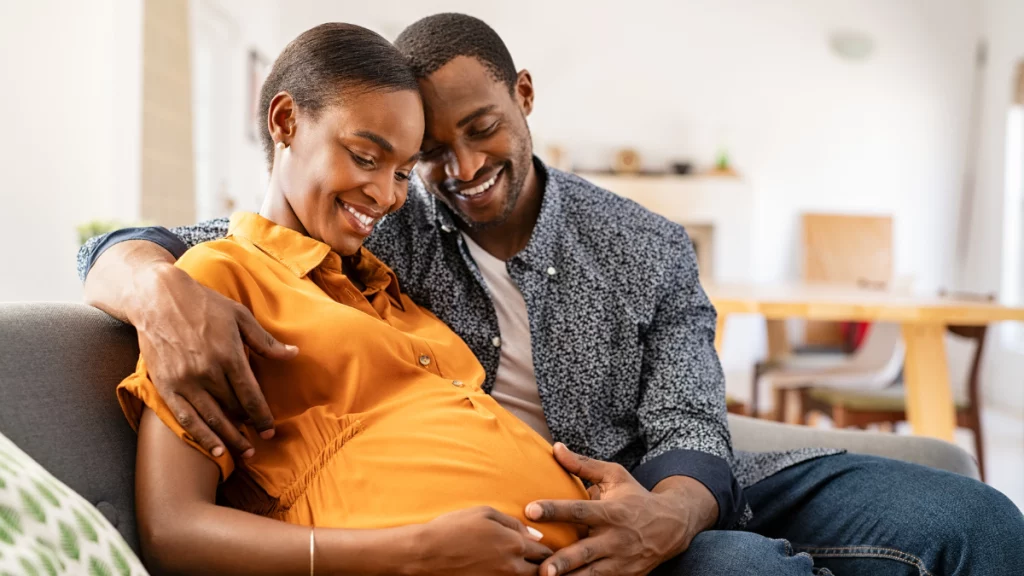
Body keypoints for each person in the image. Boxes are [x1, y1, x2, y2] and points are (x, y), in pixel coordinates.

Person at [79, 12, 1024, 576]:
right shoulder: (378, 224)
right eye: (420, 155)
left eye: (480, 129)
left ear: (524, 96)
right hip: (562, 519)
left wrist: (669, 512)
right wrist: (154, 290)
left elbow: (693, 423)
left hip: (671, 480)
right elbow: (171, 246)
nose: (457, 170)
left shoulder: (641, 243)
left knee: (977, 519)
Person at [118, 23, 588, 575]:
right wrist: (417, 552)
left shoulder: (389, 292)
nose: (388, 195)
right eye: (366, 158)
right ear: (286, 121)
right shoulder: (214, 283)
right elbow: (171, 530)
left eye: (405, 173)